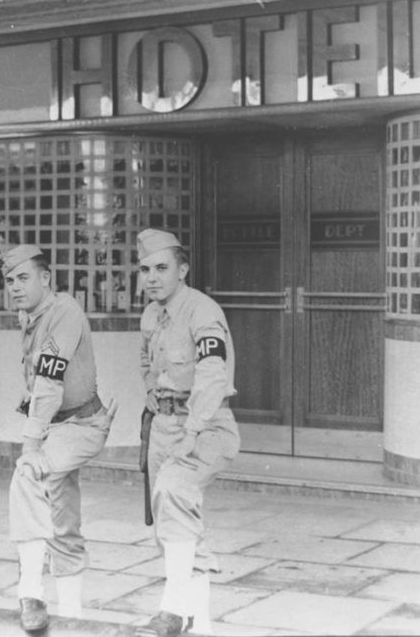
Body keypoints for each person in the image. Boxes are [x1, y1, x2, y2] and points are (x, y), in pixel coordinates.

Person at [0, 244, 115, 632]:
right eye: (9, 280)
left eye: (23, 278)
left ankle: (30, 590)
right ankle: (73, 620)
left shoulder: (64, 313)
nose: (15, 287)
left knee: (28, 473)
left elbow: (49, 380)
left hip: (81, 426)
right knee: (63, 522)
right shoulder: (31, 314)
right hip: (59, 428)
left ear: (45, 278)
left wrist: (30, 444)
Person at [135, 229, 240, 637]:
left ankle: (172, 610)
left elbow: (213, 378)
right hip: (162, 424)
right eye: (144, 270)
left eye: (161, 268)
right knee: (172, 526)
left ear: (183, 269)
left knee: (176, 491)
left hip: (207, 425)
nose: (152, 277)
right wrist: (151, 397)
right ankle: (199, 622)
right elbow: (146, 363)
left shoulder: (202, 311)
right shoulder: (150, 315)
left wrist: (191, 430)